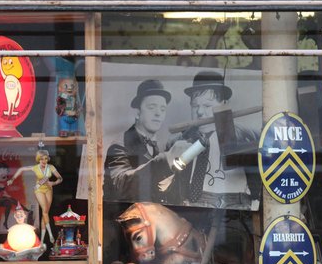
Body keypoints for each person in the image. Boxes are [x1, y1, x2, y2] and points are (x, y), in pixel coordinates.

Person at [166, 69, 258, 209]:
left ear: (224, 104)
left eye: (207, 106)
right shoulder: (179, 142)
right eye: (195, 105)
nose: (200, 112)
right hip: (194, 205)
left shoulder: (245, 136)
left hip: (237, 205)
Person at [103, 79, 191, 204]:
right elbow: (120, 186)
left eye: (162, 109)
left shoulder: (158, 147)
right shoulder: (119, 145)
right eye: (152, 107)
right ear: (137, 113)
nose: (158, 113)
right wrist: (166, 159)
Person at [8, 149, 62, 242]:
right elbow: (21, 169)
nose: (44, 161)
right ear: (38, 159)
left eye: (45, 159)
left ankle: (42, 239)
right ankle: (50, 235)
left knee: (45, 213)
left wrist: (54, 183)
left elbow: (60, 178)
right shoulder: (35, 167)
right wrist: (12, 179)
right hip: (39, 189)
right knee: (45, 212)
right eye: (41, 159)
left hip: (49, 189)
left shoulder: (51, 167)